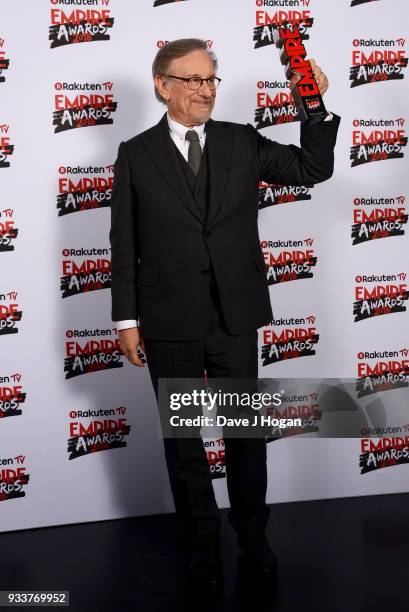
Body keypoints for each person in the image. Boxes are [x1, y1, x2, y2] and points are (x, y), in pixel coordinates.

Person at [109, 38, 340, 590]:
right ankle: (201, 545)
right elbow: (123, 244)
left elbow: (312, 168)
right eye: (192, 80)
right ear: (162, 85)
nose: (206, 90)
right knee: (185, 447)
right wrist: (126, 320)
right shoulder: (136, 154)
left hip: (234, 316)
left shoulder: (241, 142)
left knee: (243, 440)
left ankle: (254, 541)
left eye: (211, 79)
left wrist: (314, 109)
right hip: (169, 320)